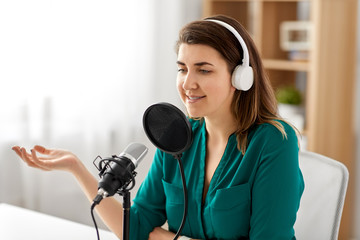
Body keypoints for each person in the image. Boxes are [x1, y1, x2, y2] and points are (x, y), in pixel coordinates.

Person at [12, 15, 304, 240]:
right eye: (182, 68)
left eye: (203, 69)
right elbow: (137, 228)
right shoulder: (176, 136)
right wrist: (76, 167)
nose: (188, 83)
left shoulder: (274, 142)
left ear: (241, 77)